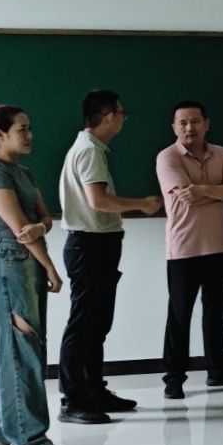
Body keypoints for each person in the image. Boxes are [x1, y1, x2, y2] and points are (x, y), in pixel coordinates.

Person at [0, 104, 65, 445]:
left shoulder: (22, 172)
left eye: (29, 128)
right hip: (10, 265)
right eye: (22, 129)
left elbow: (43, 219)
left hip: (28, 263)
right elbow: (21, 229)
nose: (29, 135)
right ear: (0, 134)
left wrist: (40, 228)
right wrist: (50, 265)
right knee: (19, 350)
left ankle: (2, 432)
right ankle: (27, 440)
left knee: (20, 348)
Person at [56, 90, 161, 424]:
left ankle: (93, 390)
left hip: (97, 245)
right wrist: (142, 204)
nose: (123, 118)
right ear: (107, 116)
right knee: (84, 323)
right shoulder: (89, 151)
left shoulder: (92, 148)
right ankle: (73, 400)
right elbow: (98, 200)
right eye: (121, 112)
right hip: (89, 246)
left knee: (97, 324)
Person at [156, 101, 223, 399]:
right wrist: (217, 192)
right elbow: (188, 198)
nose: (189, 127)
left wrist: (201, 189)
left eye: (195, 121)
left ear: (206, 124)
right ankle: (174, 378)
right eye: (183, 122)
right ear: (174, 127)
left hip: (220, 245)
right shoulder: (167, 157)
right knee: (179, 315)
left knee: (217, 312)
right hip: (184, 247)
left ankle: (218, 370)